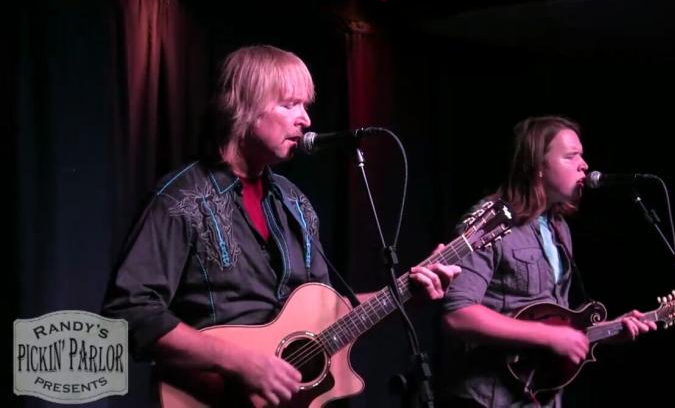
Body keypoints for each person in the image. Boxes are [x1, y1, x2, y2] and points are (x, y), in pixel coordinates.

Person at [102, 44, 460, 406]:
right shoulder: (181, 199)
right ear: (241, 108)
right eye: (289, 105)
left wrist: (405, 295)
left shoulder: (294, 201)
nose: (305, 119)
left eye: (305, 106)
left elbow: (327, 318)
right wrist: (241, 363)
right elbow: (128, 315)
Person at [439, 115, 656, 408]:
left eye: (582, 155)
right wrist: (549, 335)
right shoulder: (489, 221)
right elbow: (458, 314)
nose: (584, 165)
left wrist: (609, 330)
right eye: (571, 156)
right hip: (487, 398)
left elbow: (553, 322)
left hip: (538, 398)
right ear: (538, 166)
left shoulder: (558, 227)